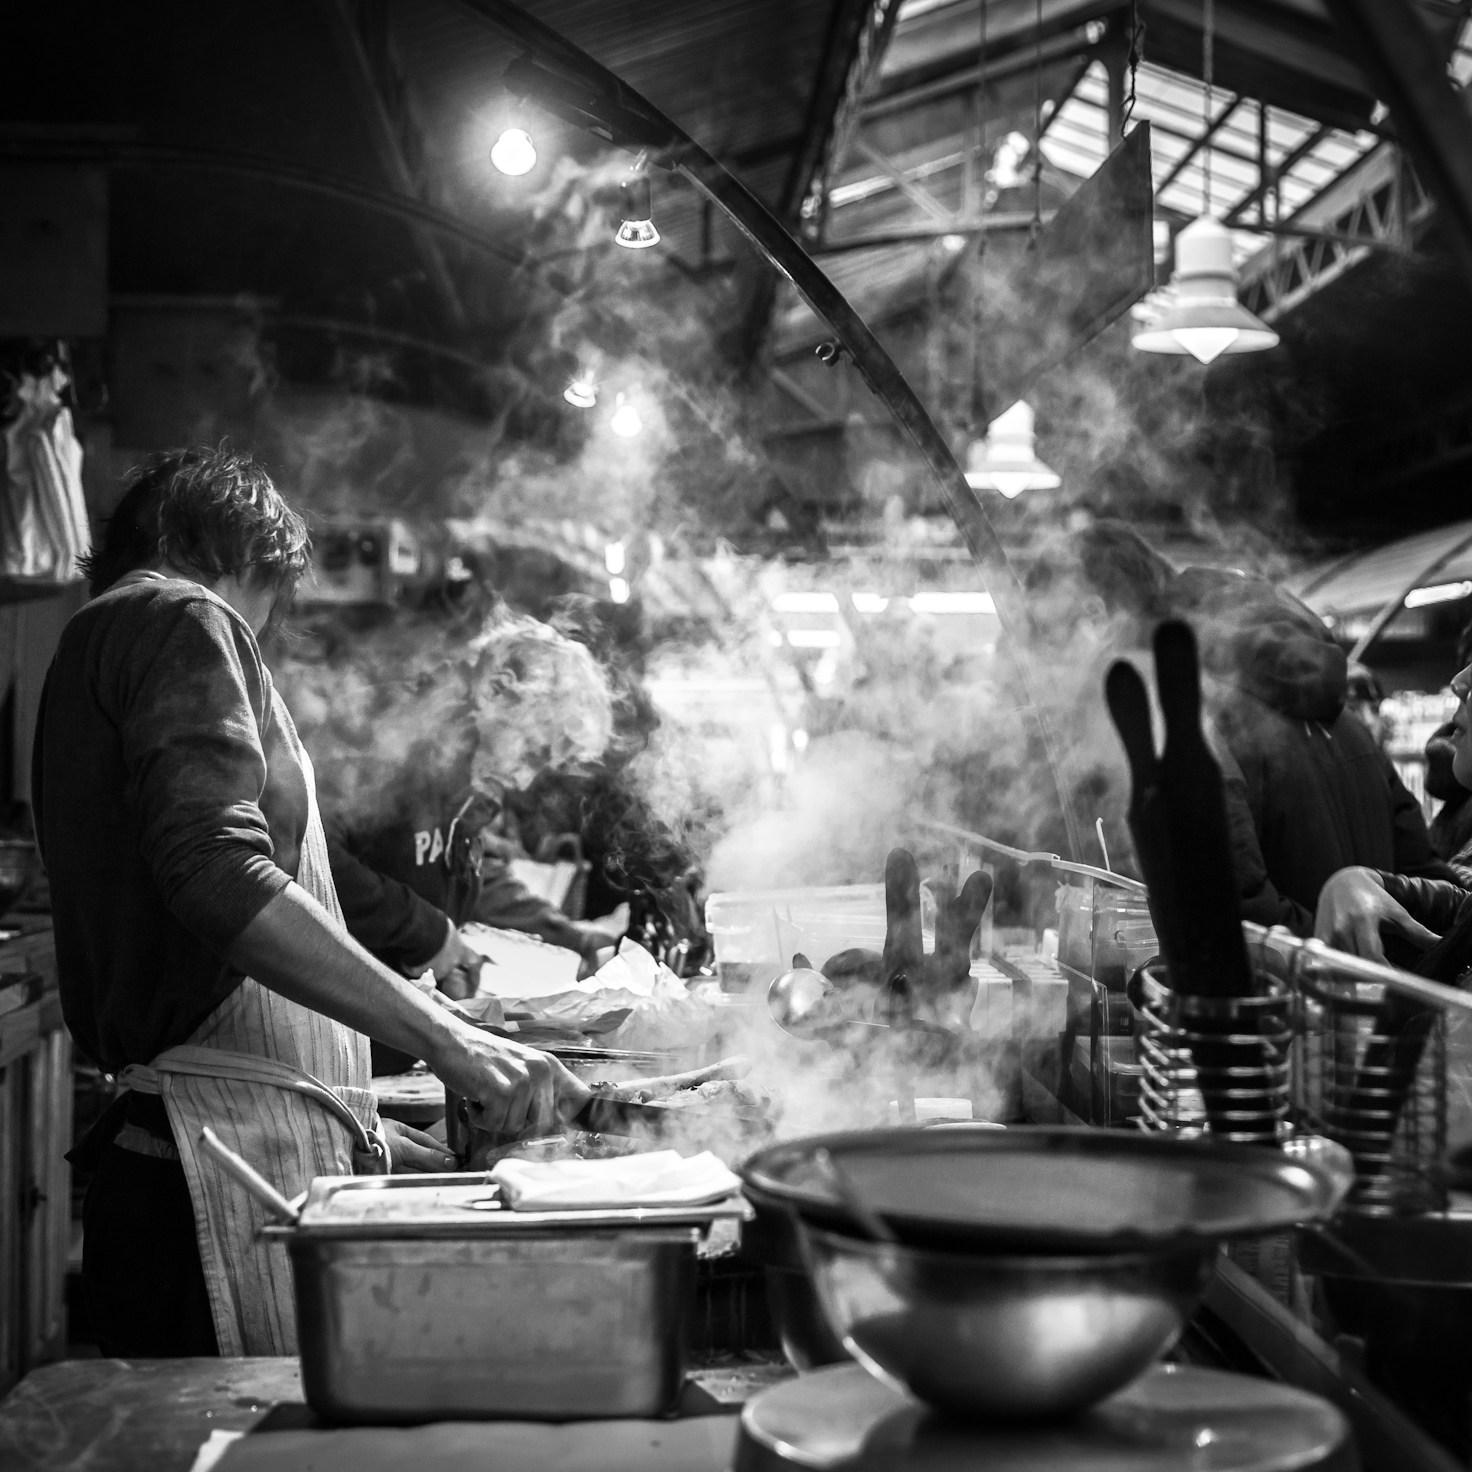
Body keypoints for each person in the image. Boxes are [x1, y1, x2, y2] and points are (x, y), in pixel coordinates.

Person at [32, 445, 587, 1359]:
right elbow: (216, 869)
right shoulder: (178, 613)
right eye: (263, 592)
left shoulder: (97, 638)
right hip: (200, 1181)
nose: (264, 626)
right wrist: (450, 1039)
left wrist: (379, 1143)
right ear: (195, 538)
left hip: (194, 1158)